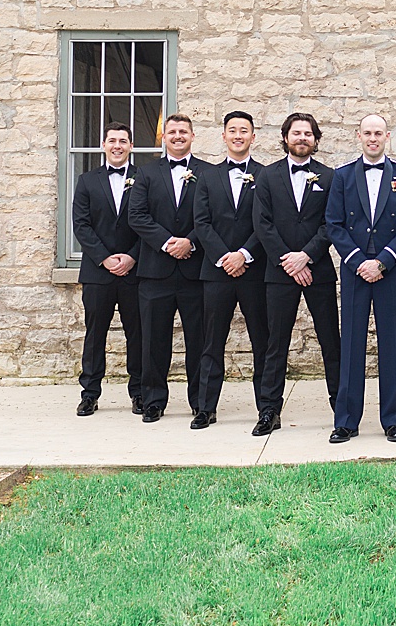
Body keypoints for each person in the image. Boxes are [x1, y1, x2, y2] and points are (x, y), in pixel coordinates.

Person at [324, 113, 396, 443]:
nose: (373, 138)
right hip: (354, 270)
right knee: (351, 345)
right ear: (358, 135)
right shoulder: (343, 176)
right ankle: (346, 421)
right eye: (367, 132)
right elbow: (333, 224)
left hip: (390, 271)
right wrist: (358, 262)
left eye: (378, 132)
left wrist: (382, 262)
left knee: (393, 345)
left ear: (387, 136)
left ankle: (393, 419)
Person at [252, 111, 341, 436]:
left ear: (315, 140)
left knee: (331, 341)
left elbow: (331, 223)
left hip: (317, 270)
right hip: (278, 273)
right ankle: (269, 411)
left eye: (307, 134)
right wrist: (287, 261)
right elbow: (262, 223)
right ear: (286, 138)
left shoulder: (330, 178)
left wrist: (305, 256)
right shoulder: (267, 176)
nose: (302, 138)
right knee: (275, 343)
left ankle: (340, 407)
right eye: (296, 133)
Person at [126, 113, 208, 423]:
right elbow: (137, 216)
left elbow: (212, 216)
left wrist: (190, 242)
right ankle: (153, 400)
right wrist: (167, 242)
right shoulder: (146, 174)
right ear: (164, 136)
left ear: (192, 136)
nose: (177, 136)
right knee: (153, 340)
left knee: (198, 340)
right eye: (172, 131)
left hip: (195, 271)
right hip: (155, 271)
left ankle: (201, 401)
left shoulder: (207, 173)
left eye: (183, 131)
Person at [191, 110, 270, 429]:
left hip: (255, 272)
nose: (238, 135)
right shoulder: (207, 176)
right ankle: (205, 407)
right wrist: (225, 256)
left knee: (262, 342)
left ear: (253, 136)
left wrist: (245, 254)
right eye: (232, 130)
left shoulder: (267, 175)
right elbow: (201, 221)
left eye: (244, 130)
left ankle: (267, 408)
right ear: (223, 136)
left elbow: (266, 223)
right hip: (216, 272)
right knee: (211, 342)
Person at [71, 121, 142, 416]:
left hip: (134, 270)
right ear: (104, 145)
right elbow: (81, 224)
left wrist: (132, 256)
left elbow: (150, 222)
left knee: (138, 333)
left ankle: (139, 392)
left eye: (123, 141)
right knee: (95, 333)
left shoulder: (144, 177)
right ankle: (89, 393)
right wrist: (104, 258)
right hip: (97, 272)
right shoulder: (88, 180)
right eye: (112, 140)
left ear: (131, 146)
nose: (117, 146)